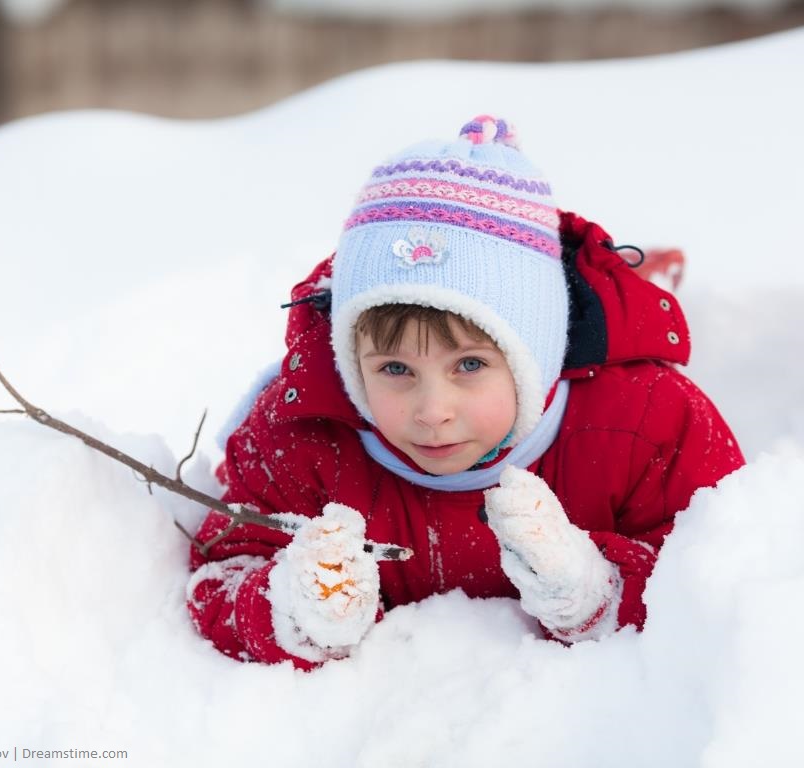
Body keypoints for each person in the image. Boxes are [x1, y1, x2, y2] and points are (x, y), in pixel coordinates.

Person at [185, 115, 744, 670]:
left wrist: (597, 588)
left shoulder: (644, 420)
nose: (432, 412)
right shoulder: (301, 434)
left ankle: (641, 277)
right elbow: (220, 570)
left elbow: (723, 568)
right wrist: (294, 609)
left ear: (536, 354)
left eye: (469, 364)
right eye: (395, 369)